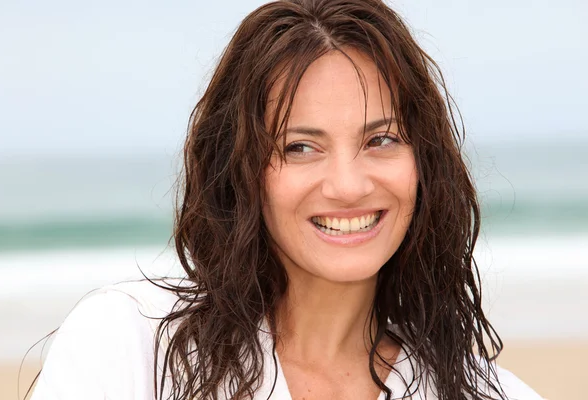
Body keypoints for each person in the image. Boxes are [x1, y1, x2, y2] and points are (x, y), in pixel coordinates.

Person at [29, 0, 544, 399]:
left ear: (423, 161)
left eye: (380, 139)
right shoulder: (128, 346)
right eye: (300, 147)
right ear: (243, 171)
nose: (348, 185)